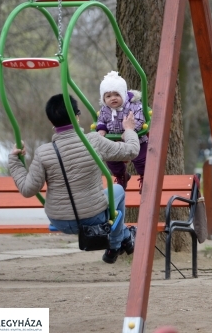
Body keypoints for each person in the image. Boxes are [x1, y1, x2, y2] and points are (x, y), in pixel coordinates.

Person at [8, 94, 141, 264]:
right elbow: (131, 151)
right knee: (118, 190)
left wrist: (14, 161)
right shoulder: (93, 141)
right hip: (93, 218)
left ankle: (124, 239)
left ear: (51, 122)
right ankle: (116, 244)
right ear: (77, 116)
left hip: (59, 220)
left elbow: (28, 190)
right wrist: (129, 130)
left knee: (108, 195)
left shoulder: (43, 152)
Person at [96, 71, 148, 191]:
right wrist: (102, 130)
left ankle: (145, 178)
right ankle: (121, 176)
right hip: (115, 141)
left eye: (116, 94)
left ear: (123, 94)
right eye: (108, 96)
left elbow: (140, 119)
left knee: (141, 161)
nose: (113, 98)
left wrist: (131, 130)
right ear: (104, 99)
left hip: (137, 139)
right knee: (111, 160)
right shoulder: (105, 109)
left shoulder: (133, 105)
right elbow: (101, 120)